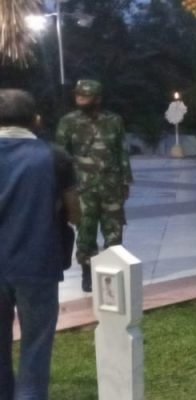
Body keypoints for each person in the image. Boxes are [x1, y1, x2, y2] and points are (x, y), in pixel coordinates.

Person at [1, 89, 80, 400]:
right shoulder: (54, 157)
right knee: (34, 350)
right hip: (37, 267)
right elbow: (74, 211)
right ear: (36, 120)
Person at [55, 79, 133, 293]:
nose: (80, 98)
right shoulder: (68, 122)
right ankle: (87, 273)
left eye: (85, 95)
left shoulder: (114, 120)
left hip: (111, 185)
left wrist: (126, 180)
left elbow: (121, 151)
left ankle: (113, 272)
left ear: (97, 98)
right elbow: (61, 156)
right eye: (78, 94)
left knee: (114, 232)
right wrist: (63, 189)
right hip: (83, 188)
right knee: (86, 231)